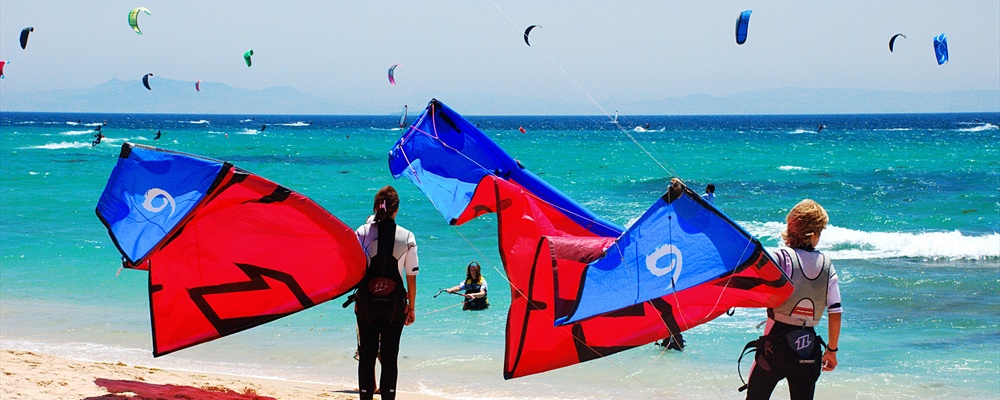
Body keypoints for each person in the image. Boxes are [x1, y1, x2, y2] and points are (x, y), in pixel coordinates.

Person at [742, 199, 842, 400]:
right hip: (808, 350)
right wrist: (831, 350)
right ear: (814, 233)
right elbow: (835, 311)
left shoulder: (779, 258)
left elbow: (751, 285)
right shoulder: (827, 265)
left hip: (774, 348)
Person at [354, 186, 418, 400]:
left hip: (366, 304)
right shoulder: (407, 236)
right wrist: (412, 308)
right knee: (390, 358)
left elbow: (354, 269)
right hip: (394, 306)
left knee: (367, 356)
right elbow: (411, 276)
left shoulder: (361, 232)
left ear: (375, 207)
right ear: (396, 209)